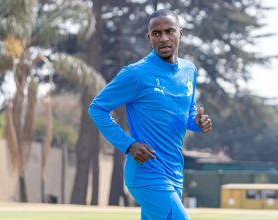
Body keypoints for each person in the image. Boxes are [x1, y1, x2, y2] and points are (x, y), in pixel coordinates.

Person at [88, 9, 212, 220]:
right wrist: (128, 144)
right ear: (149, 38)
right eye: (156, 33)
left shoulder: (189, 70)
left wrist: (197, 122)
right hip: (146, 173)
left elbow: (187, 113)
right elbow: (97, 108)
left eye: (169, 31)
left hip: (175, 173)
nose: (163, 38)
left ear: (180, 34)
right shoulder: (135, 73)